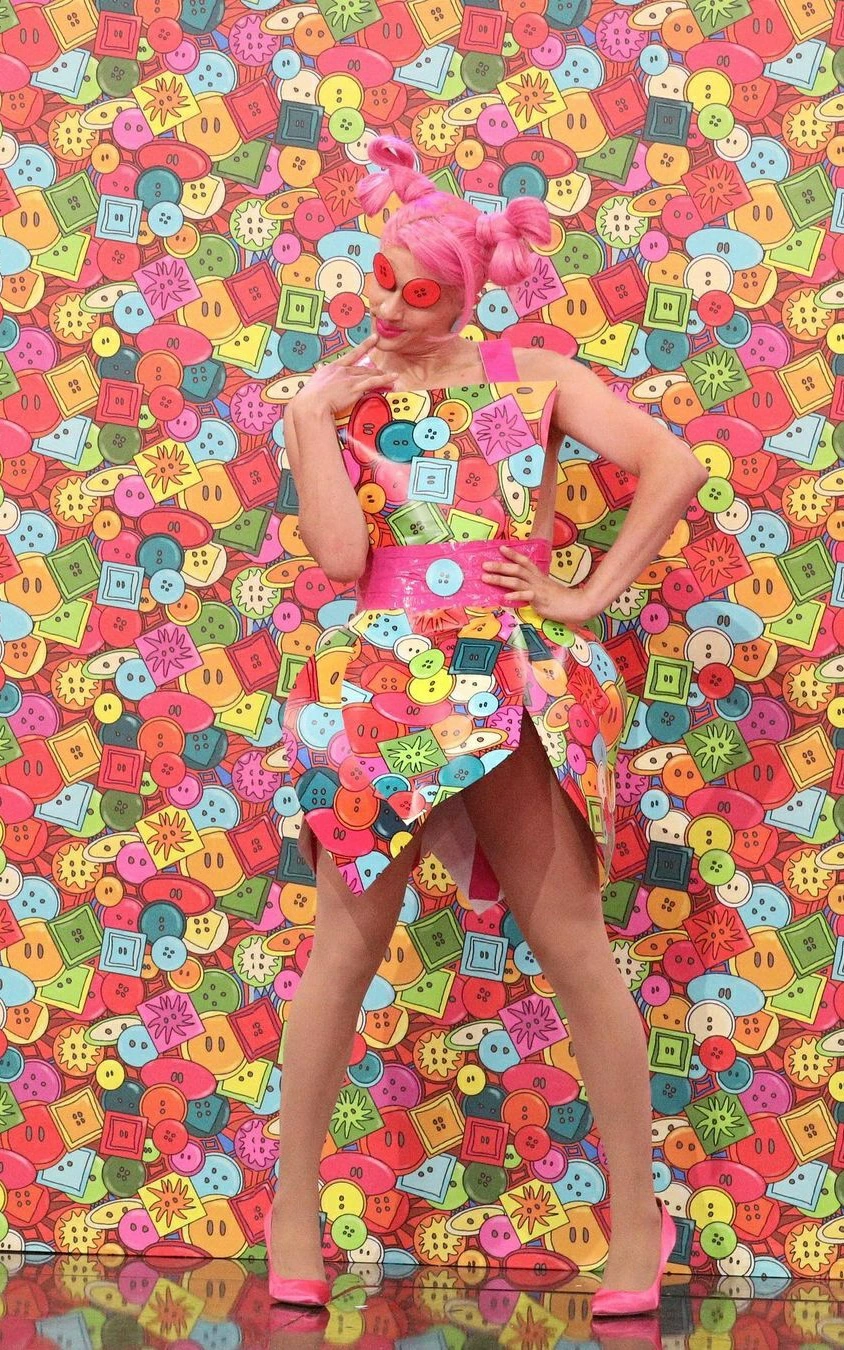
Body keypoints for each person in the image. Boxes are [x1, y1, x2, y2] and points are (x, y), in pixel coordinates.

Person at [267, 136, 707, 1315]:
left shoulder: (536, 376)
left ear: (463, 291)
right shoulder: (345, 393)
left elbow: (671, 463)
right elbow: (343, 558)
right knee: (342, 949)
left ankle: (636, 1224)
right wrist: (309, 418)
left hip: (508, 674)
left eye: (420, 292)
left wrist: (585, 592)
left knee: (572, 942)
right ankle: (290, 1214)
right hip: (382, 686)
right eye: (379, 280)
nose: (390, 309)